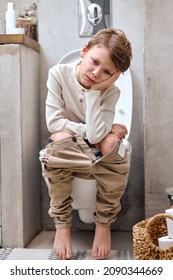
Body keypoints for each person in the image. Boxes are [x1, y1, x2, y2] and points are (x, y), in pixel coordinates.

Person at [40, 28, 132, 260]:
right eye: (94, 62)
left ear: (115, 76)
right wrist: (98, 132)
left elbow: (97, 136)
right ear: (84, 51)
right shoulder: (58, 74)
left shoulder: (110, 91)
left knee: (112, 144)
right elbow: (54, 122)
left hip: (97, 144)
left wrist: (95, 93)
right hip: (67, 147)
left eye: (107, 72)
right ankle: (62, 226)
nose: (96, 73)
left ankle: (103, 225)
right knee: (60, 138)